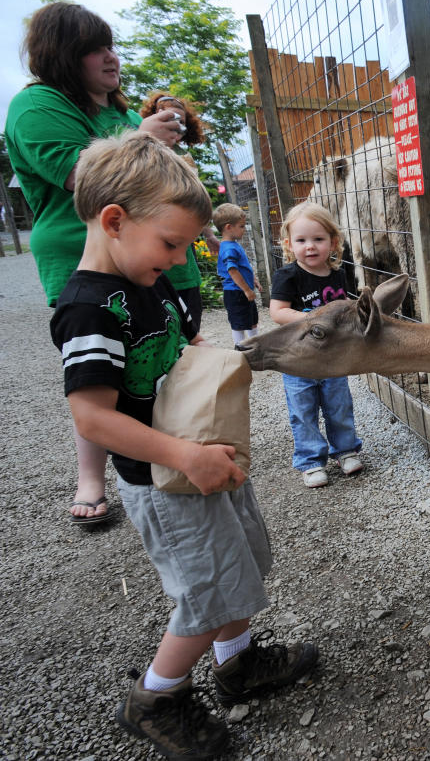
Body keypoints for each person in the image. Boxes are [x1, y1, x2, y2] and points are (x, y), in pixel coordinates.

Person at [50, 132, 318, 760]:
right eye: (171, 244)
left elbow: (179, 351)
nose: (177, 260)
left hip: (200, 456)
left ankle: (238, 663)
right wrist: (185, 456)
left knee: (241, 563)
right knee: (204, 593)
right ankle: (155, 698)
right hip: (164, 478)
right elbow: (91, 417)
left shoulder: (151, 283)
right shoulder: (88, 309)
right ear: (113, 221)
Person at [5, 1, 191, 526]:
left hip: (153, 255)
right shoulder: (36, 106)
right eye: (95, 48)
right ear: (64, 55)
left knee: (162, 353)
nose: (111, 58)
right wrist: (143, 140)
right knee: (99, 369)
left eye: (111, 45)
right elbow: (81, 175)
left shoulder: (121, 111)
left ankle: (170, 446)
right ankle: (96, 476)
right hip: (86, 260)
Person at [269, 202, 365, 488]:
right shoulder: (288, 276)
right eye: (301, 240)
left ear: (333, 242)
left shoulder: (338, 273)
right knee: (303, 410)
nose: (310, 247)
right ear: (289, 244)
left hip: (333, 357)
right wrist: (314, 318)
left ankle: (346, 450)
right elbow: (278, 312)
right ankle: (311, 461)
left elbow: (345, 306)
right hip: (299, 359)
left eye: (318, 239)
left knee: (339, 404)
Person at [139, 90, 220, 334]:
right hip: (152, 262)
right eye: (167, 119)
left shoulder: (184, 160)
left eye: (180, 124)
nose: (174, 128)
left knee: (189, 329)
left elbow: (195, 203)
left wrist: (209, 235)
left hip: (183, 266)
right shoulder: (137, 156)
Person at [214, 203, 259, 344]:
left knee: (252, 320)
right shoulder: (229, 249)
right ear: (228, 227)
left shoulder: (232, 245)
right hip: (236, 292)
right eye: (241, 226)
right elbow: (232, 270)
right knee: (239, 323)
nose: (244, 230)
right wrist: (246, 290)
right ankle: (240, 348)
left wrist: (254, 280)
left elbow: (243, 267)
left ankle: (255, 345)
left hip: (241, 290)